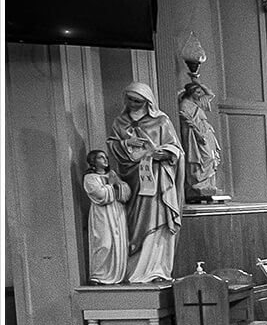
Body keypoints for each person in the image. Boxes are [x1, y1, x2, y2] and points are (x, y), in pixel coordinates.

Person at [109, 82, 183, 284]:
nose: (133, 104)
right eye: (130, 99)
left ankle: (156, 269)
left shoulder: (160, 121)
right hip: (132, 179)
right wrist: (126, 144)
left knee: (157, 217)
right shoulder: (119, 122)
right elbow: (112, 146)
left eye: (138, 100)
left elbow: (176, 148)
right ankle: (135, 270)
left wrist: (164, 153)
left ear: (147, 101)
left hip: (157, 179)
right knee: (134, 222)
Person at [82, 149, 130, 284]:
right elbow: (100, 195)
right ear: (93, 161)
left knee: (118, 243)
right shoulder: (90, 178)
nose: (105, 160)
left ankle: (117, 275)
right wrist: (111, 184)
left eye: (105, 157)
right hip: (102, 213)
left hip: (117, 212)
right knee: (104, 243)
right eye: (101, 158)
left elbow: (125, 193)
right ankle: (98, 275)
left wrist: (118, 185)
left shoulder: (112, 175)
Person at [176, 81, 222, 198]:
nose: (200, 94)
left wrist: (199, 83)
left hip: (206, 131)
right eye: (197, 92)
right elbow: (188, 122)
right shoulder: (185, 105)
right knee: (203, 157)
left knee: (211, 157)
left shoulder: (197, 103)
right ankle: (198, 184)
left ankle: (206, 184)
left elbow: (210, 95)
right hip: (195, 135)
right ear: (191, 92)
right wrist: (198, 134)